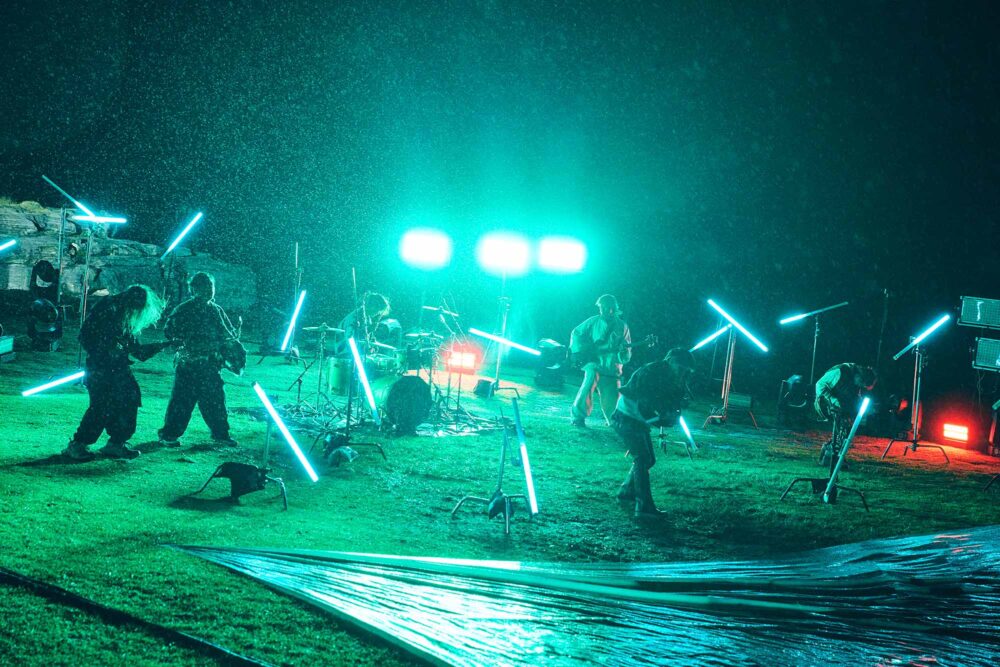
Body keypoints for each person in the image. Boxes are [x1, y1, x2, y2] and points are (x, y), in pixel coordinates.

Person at [62, 285, 169, 461]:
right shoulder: (108, 309)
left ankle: (116, 443)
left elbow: (137, 351)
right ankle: (78, 444)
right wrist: (104, 350)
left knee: (128, 400)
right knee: (102, 405)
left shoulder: (123, 317)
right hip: (101, 367)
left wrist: (161, 345)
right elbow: (86, 336)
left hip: (117, 368)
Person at [158, 272, 240, 448]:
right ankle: (169, 435)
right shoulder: (184, 309)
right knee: (182, 401)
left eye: (211, 286)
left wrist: (228, 347)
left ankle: (221, 434)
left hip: (210, 365)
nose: (209, 290)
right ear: (194, 289)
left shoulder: (216, 310)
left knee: (215, 401)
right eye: (205, 286)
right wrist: (190, 342)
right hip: (189, 364)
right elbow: (170, 331)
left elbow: (228, 335)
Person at [611, 347, 695, 517]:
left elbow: (669, 404)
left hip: (636, 419)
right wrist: (663, 415)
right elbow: (646, 404)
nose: (682, 373)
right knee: (642, 458)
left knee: (648, 459)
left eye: (686, 371)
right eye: (681, 368)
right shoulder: (650, 373)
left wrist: (671, 412)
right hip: (626, 417)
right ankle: (643, 507)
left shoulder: (674, 377)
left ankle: (626, 492)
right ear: (670, 362)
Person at [569, 294, 631, 427]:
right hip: (594, 363)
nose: (608, 311)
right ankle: (578, 417)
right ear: (600, 308)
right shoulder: (592, 322)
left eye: (610, 308)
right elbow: (576, 333)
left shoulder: (622, 326)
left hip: (611, 368)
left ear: (615, 308)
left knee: (613, 402)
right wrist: (580, 351)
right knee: (590, 379)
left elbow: (626, 355)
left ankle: (613, 421)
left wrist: (623, 352)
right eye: (604, 307)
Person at [814, 363, 877, 466]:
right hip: (824, 403)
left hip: (841, 406)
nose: (861, 387)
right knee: (842, 423)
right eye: (862, 385)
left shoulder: (855, 380)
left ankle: (832, 451)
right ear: (861, 377)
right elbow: (819, 385)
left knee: (848, 426)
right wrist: (833, 400)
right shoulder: (840, 371)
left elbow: (852, 397)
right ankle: (833, 453)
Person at [335, 292, 390, 357]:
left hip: (358, 354)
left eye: (380, 310)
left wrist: (373, 346)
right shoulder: (354, 318)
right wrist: (369, 330)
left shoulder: (368, 318)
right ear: (369, 305)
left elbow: (369, 339)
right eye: (377, 308)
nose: (378, 312)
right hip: (346, 354)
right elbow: (350, 338)